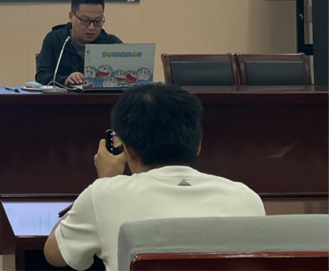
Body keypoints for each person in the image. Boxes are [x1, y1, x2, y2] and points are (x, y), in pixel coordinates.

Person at [43, 83, 265, 271]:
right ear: (198, 145)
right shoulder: (246, 199)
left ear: (128, 149)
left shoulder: (103, 195)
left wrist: (105, 180)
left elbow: (55, 255)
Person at [35, 0, 121, 87]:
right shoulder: (55, 39)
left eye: (97, 21)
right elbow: (42, 76)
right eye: (85, 21)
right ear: (71, 16)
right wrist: (65, 80)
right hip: (64, 96)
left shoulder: (111, 43)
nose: (91, 27)